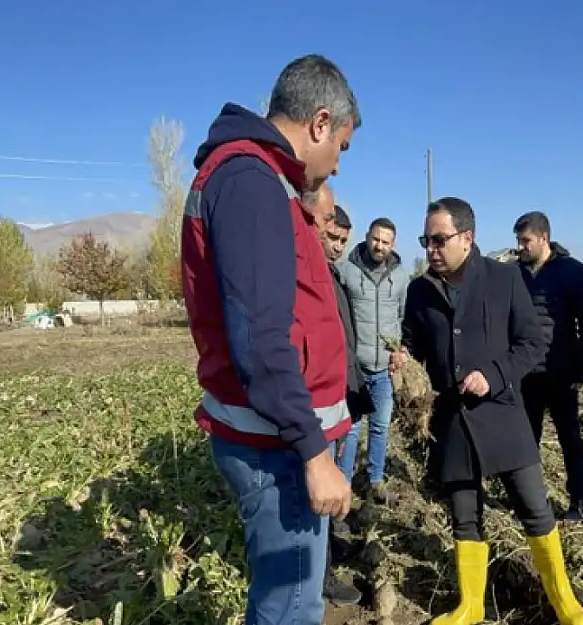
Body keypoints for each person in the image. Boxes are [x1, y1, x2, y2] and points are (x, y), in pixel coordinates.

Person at [180, 54, 361, 625]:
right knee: (288, 608)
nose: (335, 167)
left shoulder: (260, 181)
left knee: (292, 600)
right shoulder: (250, 182)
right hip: (276, 447)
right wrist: (312, 451)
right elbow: (261, 336)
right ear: (320, 123)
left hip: (278, 439)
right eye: (342, 148)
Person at [390, 197, 583, 625]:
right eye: (426, 240)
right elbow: (413, 338)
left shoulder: (504, 279)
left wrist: (494, 375)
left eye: (439, 240)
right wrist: (404, 356)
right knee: (464, 515)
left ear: (467, 237)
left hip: (502, 414)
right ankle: (470, 605)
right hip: (453, 420)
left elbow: (532, 344)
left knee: (535, 509)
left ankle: (566, 604)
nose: (431, 249)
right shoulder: (421, 291)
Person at [304, 184, 371, 606]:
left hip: (338, 399)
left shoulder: (332, 275)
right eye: (333, 237)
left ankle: (330, 550)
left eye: (344, 241)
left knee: (336, 482)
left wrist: (352, 396)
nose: (338, 246)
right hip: (314, 406)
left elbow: (343, 341)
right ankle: (320, 576)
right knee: (315, 496)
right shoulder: (311, 275)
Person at [512, 210, 583, 522]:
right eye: (518, 241)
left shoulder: (571, 272)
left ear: (543, 238)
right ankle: (530, 500)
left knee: (569, 438)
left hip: (561, 371)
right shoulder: (515, 274)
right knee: (526, 441)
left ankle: (577, 501)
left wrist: (582, 369)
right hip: (525, 373)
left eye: (525, 241)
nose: (520, 247)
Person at [335, 217, 409, 504]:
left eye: (386, 242)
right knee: (351, 427)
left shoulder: (401, 277)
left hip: (385, 369)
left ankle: (375, 480)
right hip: (355, 366)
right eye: (376, 239)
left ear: (393, 244)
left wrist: (401, 350)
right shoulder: (346, 271)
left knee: (380, 426)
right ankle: (344, 482)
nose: (379, 246)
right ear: (367, 237)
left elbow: (403, 317)